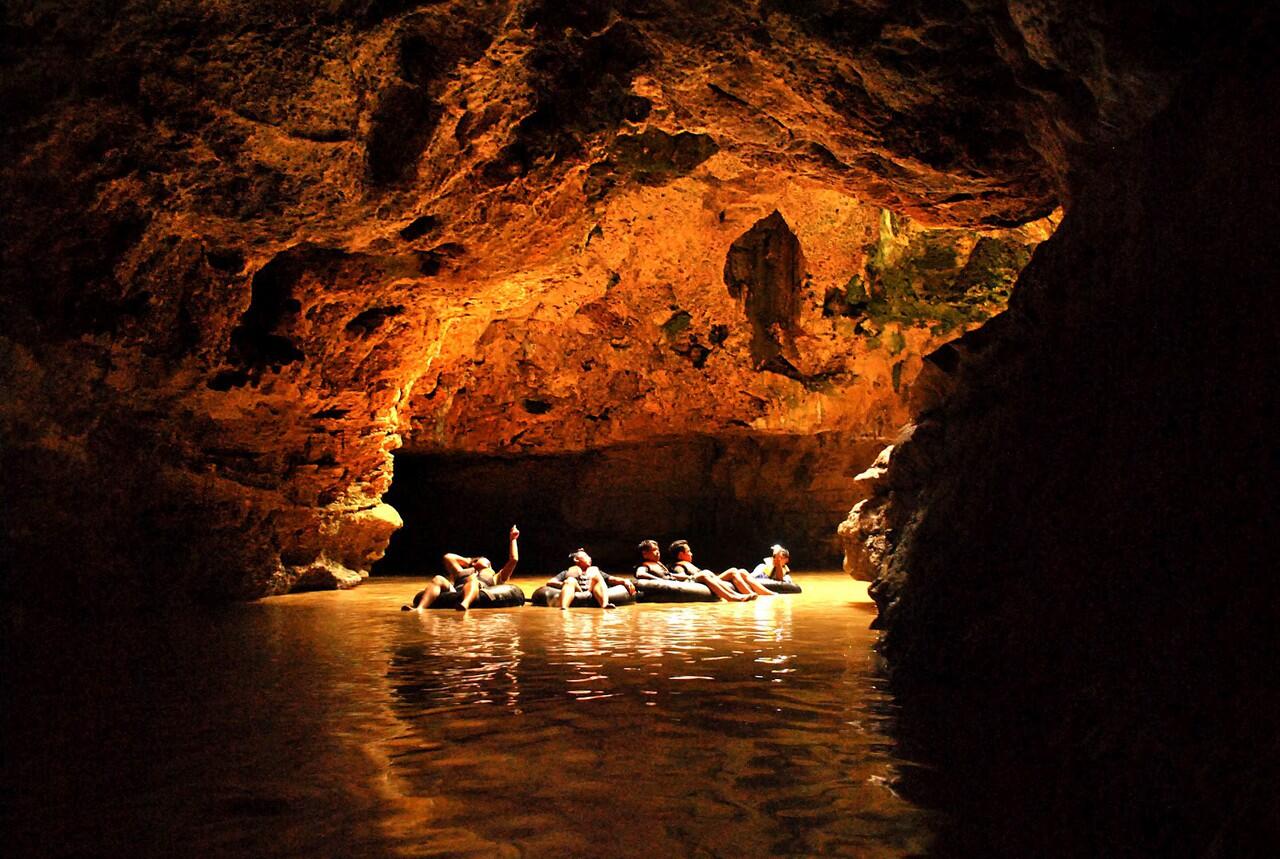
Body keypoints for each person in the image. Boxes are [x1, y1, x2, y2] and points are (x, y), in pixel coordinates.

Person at [403, 525, 520, 611]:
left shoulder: (496, 577)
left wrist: (513, 539)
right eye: (478, 558)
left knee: (472, 580)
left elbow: (514, 559)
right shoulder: (461, 571)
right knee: (438, 578)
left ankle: (465, 604)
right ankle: (420, 608)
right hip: (455, 591)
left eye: (483, 559)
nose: (481, 559)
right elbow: (448, 557)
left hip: (477, 592)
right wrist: (469, 561)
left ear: (489, 565)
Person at [636, 538, 754, 602]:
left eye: (658, 550)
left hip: (681, 583)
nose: (657, 552)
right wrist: (657, 579)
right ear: (645, 554)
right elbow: (640, 575)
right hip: (677, 586)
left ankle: (735, 595)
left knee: (706, 572)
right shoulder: (645, 565)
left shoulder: (659, 565)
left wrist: (688, 577)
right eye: (654, 550)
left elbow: (671, 576)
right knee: (704, 574)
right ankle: (731, 597)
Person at [668, 540, 773, 597]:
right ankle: (748, 594)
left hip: (712, 578)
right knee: (732, 571)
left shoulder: (687, 563)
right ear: (681, 555)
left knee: (741, 571)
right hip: (703, 581)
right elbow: (682, 577)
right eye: (688, 551)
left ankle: (767, 593)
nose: (691, 554)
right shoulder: (679, 565)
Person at [546, 549, 635, 609]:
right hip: (577, 590)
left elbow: (611, 579)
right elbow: (550, 582)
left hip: (591, 590)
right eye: (586, 556)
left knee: (597, 577)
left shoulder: (596, 571)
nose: (590, 558)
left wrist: (624, 581)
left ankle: (604, 604)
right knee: (570, 580)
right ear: (576, 559)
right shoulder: (566, 572)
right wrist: (564, 583)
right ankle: (564, 607)